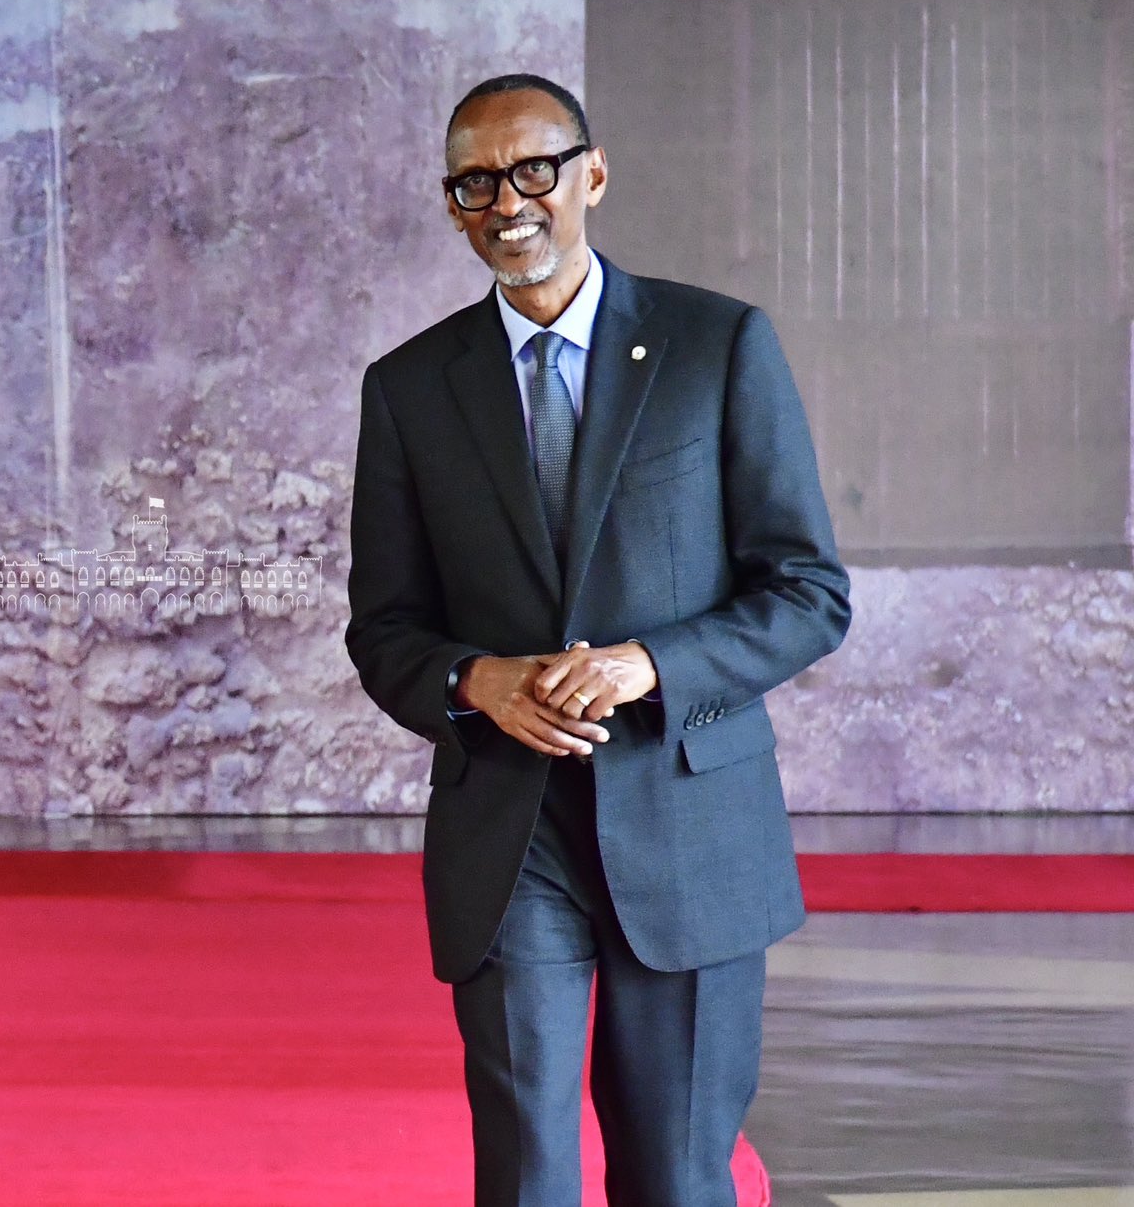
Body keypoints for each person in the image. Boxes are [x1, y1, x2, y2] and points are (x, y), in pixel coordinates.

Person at [346, 74, 851, 1205]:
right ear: (451, 205)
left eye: (534, 170)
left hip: (687, 818)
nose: (507, 202)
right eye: (475, 183)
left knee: (677, 1174)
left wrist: (647, 665)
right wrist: (474, 680)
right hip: (509, 830)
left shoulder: (716, 344)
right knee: (527, 1167)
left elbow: (808, 591)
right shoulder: (409, 389)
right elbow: (382, 629)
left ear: (594, 175)